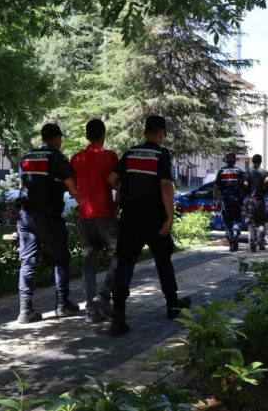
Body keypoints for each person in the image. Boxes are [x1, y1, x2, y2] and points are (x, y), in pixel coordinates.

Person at [107, 115, 191, 336]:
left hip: (129, 219)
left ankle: (118, 315)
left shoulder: (131, 153)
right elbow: (166, 186)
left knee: (125, 264)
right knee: (163, 261)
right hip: (154, 219)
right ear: (161, 134)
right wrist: (170, 216)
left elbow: (112, 179)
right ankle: (172, 305)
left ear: (145, 133)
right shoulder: (162, 155)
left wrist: (125, 190)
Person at [16, 123, 81, 324]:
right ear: (56, 138)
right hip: (48, 217)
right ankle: (62, 304)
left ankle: (25, 310)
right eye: (60, 138)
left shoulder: (26, 157)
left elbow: (22, 185)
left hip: (25, 217)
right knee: (60, 258)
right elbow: (73, 189)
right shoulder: (56, 158)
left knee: (27, 262)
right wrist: (88, 205)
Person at [70, 119, 119, 323]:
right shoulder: (110, 156)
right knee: (122, 254)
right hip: (105, 215)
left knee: (89, 264)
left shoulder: (76, 158)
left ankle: (91, 311)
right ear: (103, 136)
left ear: (86, 136)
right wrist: (117, 204)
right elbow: (117, 183)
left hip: (84, 217)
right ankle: (104, 294)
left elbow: (72, 187)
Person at [213, 153, 247, 252]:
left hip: (224, 200)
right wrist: (244, 194)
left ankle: (231, 242)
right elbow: (245, 184)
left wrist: (215, 199)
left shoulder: (221, 171)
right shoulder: (239, 171)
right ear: (235, 161)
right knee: (236, 220)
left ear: (226, 161)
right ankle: (236, 234)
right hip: (236, 200)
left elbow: (216, 187)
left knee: (227, 223)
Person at [245, 154, 268, 252]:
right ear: (260, 161)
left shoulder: (247, 172)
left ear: (252, 161)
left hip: (250, 200)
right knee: (261, 222)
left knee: (251, 224)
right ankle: (260, 240)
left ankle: (252, 246)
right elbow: (267, 181)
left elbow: (245, 184)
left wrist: (247, 190)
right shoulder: (264, 172)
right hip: (260, 201)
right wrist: (264, 188)